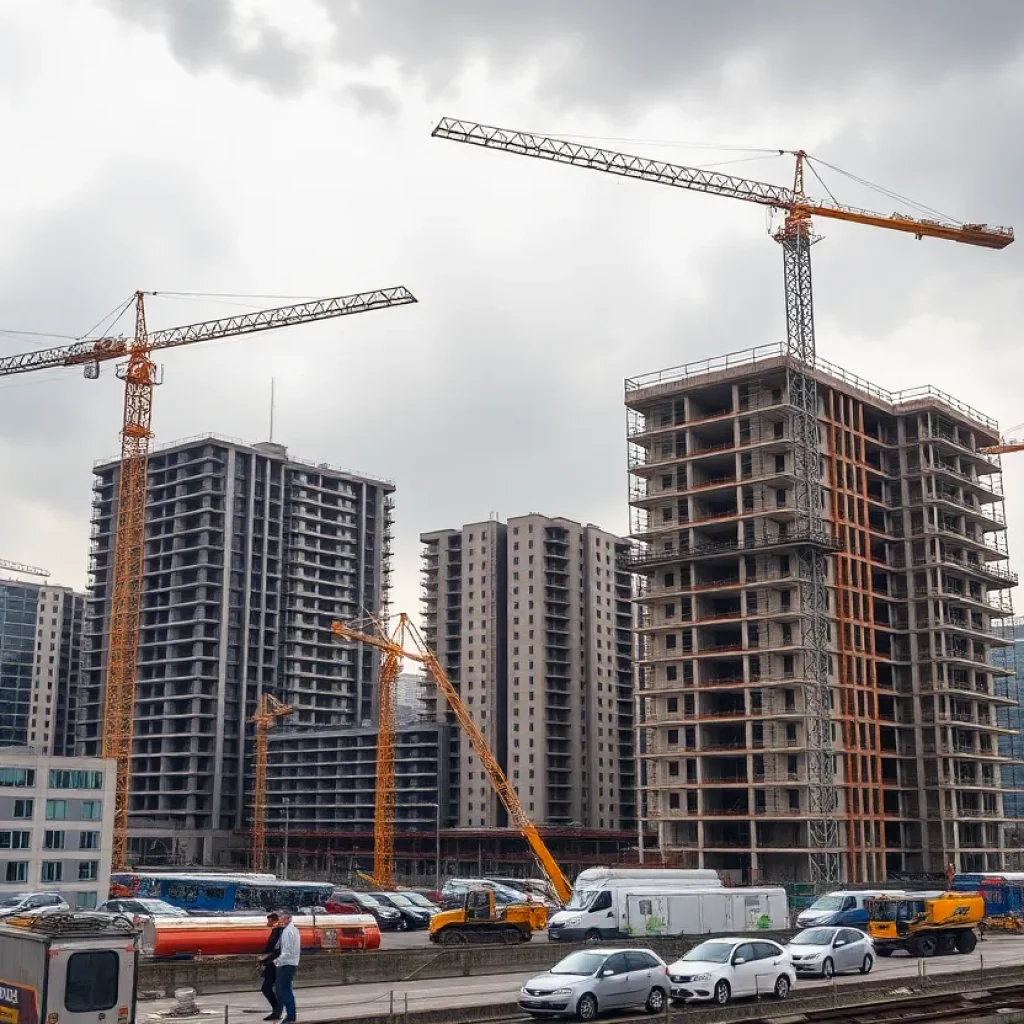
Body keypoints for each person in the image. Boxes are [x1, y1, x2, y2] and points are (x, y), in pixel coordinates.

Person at [274, 910, 301, 1024]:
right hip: (289, 962)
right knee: (285, 989)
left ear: (288, 918)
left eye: (281, 916)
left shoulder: (289, 931)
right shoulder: (292, 930)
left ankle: (290, 1016)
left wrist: (277, 961)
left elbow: (288, 950)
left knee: (284, 990)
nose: (279, 919)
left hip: (286, 963)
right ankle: (288, 1014)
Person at [259, 912, 284, 1021]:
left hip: (274, 962)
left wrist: (263, 958)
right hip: (277, 961)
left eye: (268, 920)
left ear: (273, 920)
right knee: (272, 987)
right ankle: (277, 1010)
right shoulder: (281, 930)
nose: (267, 923)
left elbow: (271, 946)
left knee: (267, 987)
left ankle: (277, 1010)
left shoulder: (277, 931)